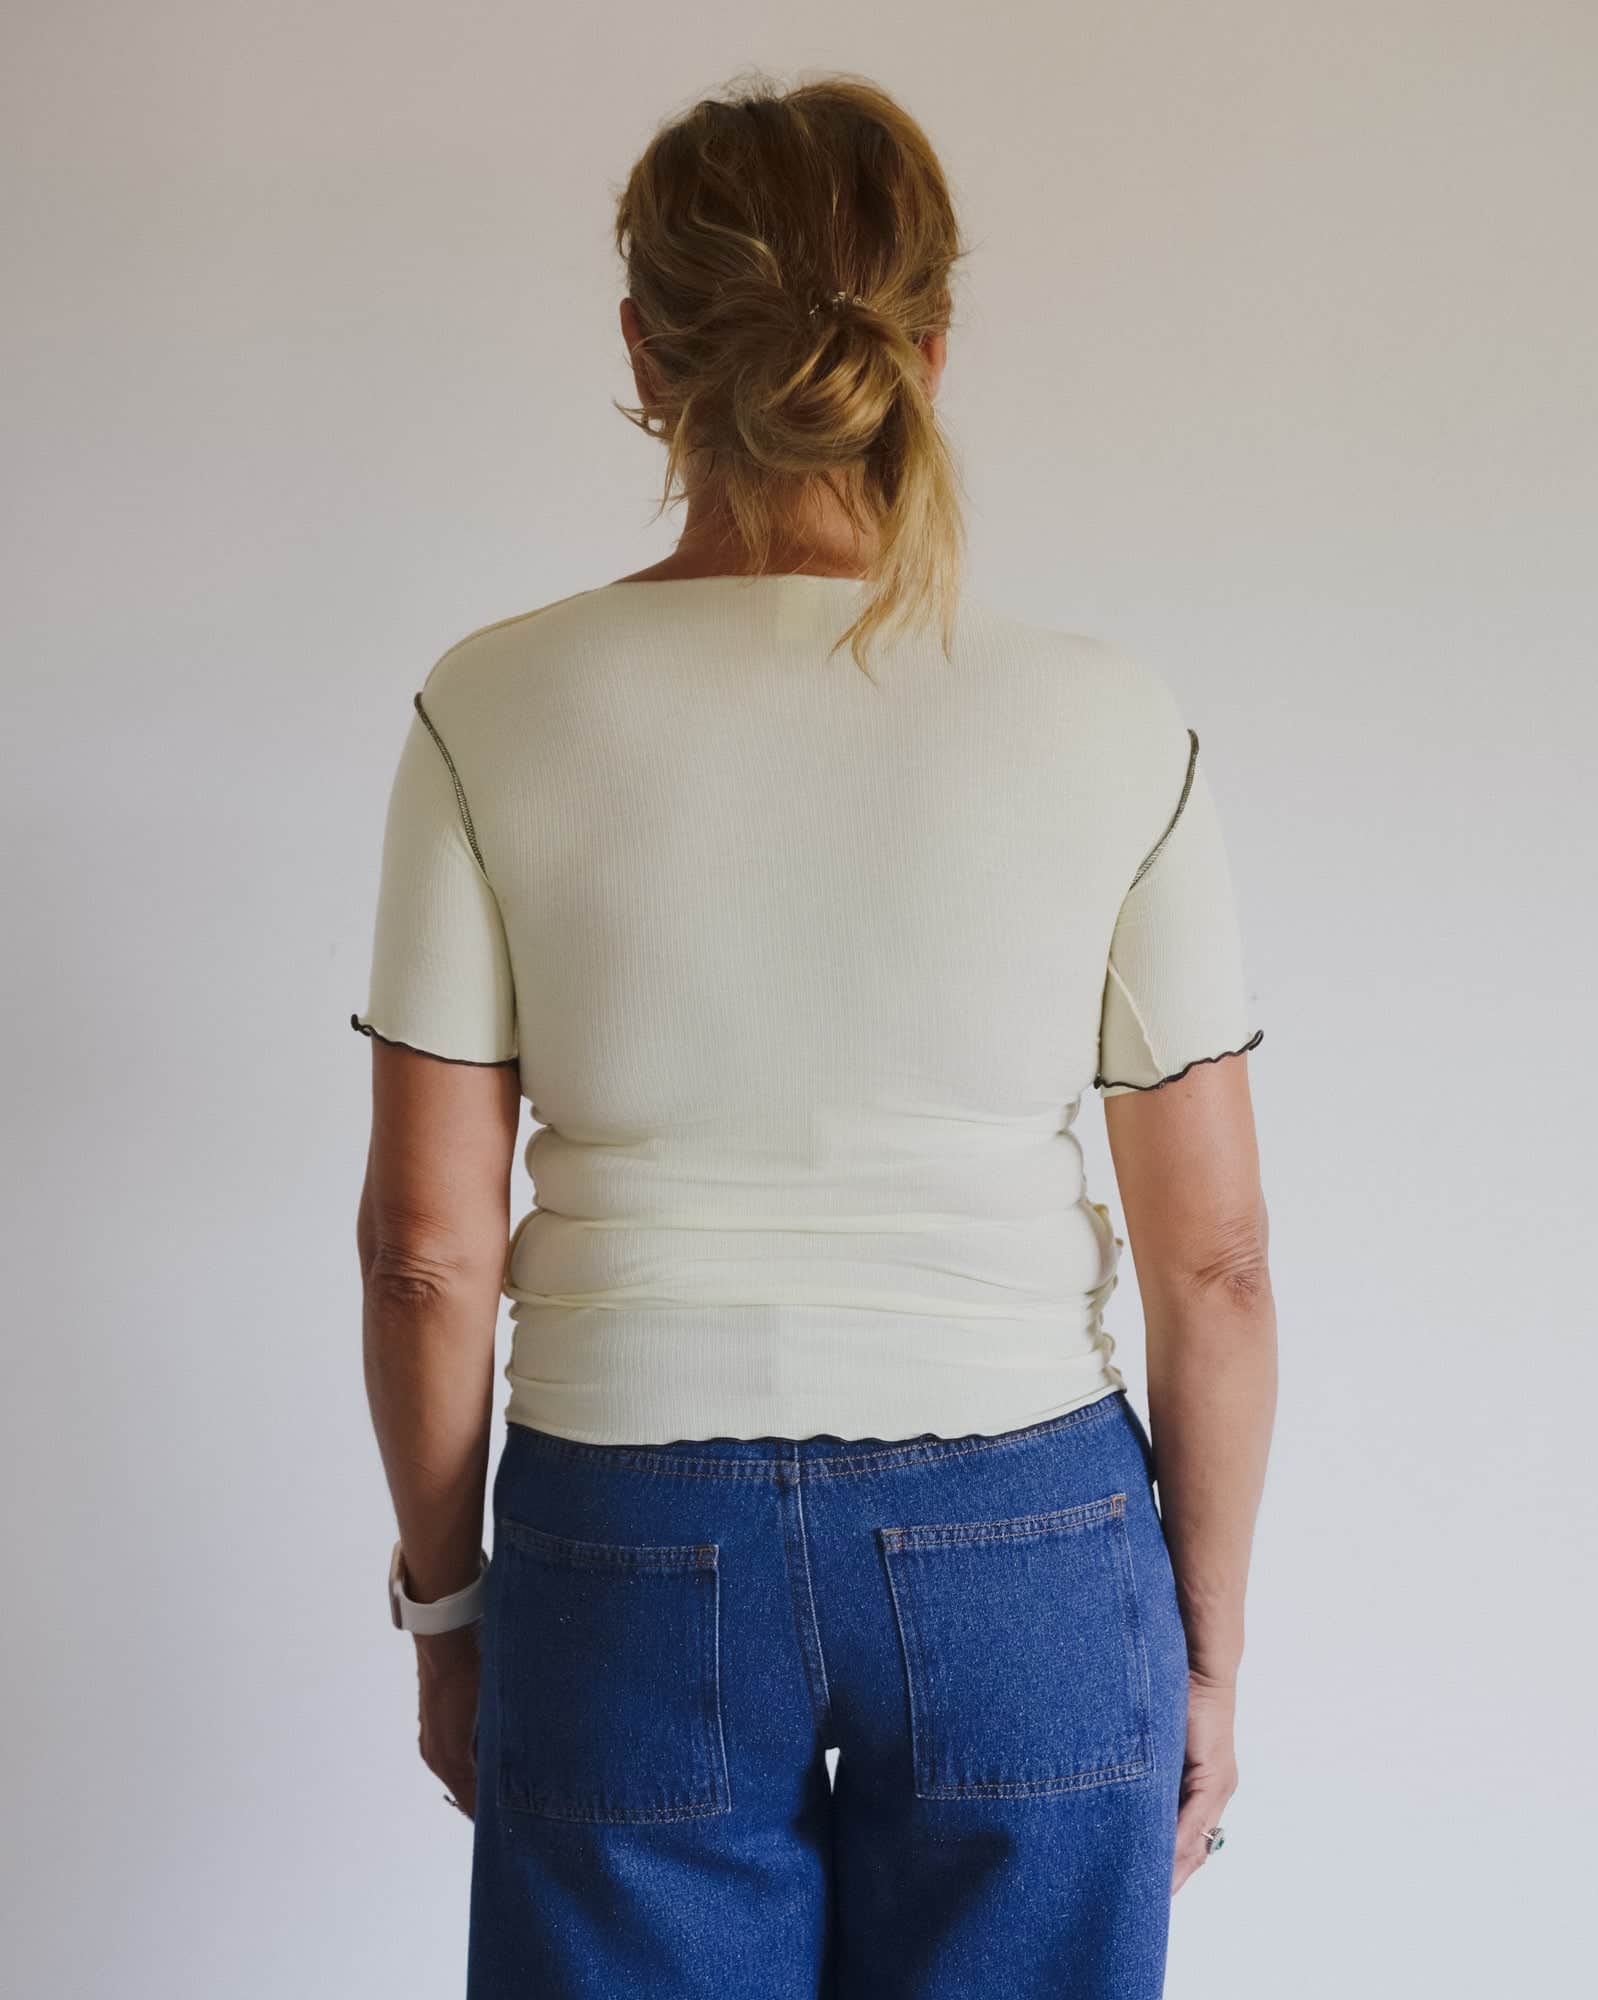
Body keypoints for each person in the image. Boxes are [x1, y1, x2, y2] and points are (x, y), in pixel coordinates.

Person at [352, 72, 1276, 2000]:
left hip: (626, 1541)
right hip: (1025, 1535)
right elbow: (1217, 1265)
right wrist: (1203, 1652)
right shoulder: (1111, 721)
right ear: (932, 346)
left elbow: (427, 1252)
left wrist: (448, 1614)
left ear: (643, 348)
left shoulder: (492, 707)